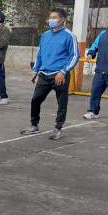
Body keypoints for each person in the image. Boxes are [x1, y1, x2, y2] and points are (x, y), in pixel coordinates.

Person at [21, 8, 79, 140]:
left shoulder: (70, 36)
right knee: (35, 100)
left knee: (61, 103)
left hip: (59, 76)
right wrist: (35, 71)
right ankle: (34, 125)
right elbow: (40, 54)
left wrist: (63, 72)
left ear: (62, 19)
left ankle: (58, 128)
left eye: (54, 17)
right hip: (44, 75)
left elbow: (75, 56)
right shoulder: (45, 35)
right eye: (50, 17)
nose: (51, 20)